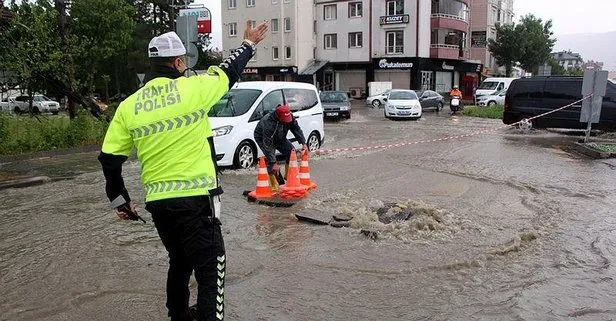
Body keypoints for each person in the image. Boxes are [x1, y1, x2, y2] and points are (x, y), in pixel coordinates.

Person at [98, 20, 268, 321]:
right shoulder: (193, 89)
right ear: (178, 62)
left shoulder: (130, 105)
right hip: (197, 199)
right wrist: (248, 44)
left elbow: (110, 159)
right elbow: (228, 71)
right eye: (184, 63)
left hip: (159, 205)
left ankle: (178, 316)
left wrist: (119, 200)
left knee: (179, 261)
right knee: (210, 269)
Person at [253, 104, 308, 191]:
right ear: (278, 116)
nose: (287, 121)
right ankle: (276, 185)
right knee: (271, 160)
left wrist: (303, 143)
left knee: (291, 152)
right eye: (285, 120)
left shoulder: (289, 116)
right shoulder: (268, 122)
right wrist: (274, 162)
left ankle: (288, 176)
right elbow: (268, 144)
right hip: (263, 138)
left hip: (280, 136)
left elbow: (296, 129)